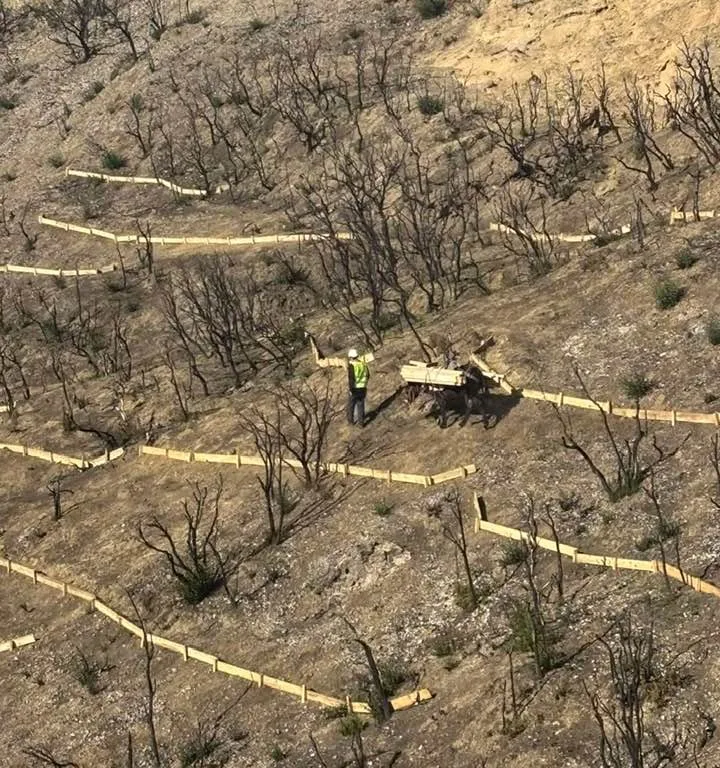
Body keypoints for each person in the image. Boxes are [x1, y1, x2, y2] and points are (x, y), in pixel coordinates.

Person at [347, 348, 370, 426]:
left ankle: (350, 421)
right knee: (361, 405)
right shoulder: (363, 364)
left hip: (354, 388)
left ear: (350, 357)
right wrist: (364, 383)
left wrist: (351, 389)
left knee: (351, 405)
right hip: (363, 387)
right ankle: (361, 423)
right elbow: (368, 375)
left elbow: (351, 378)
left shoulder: (352, 365)